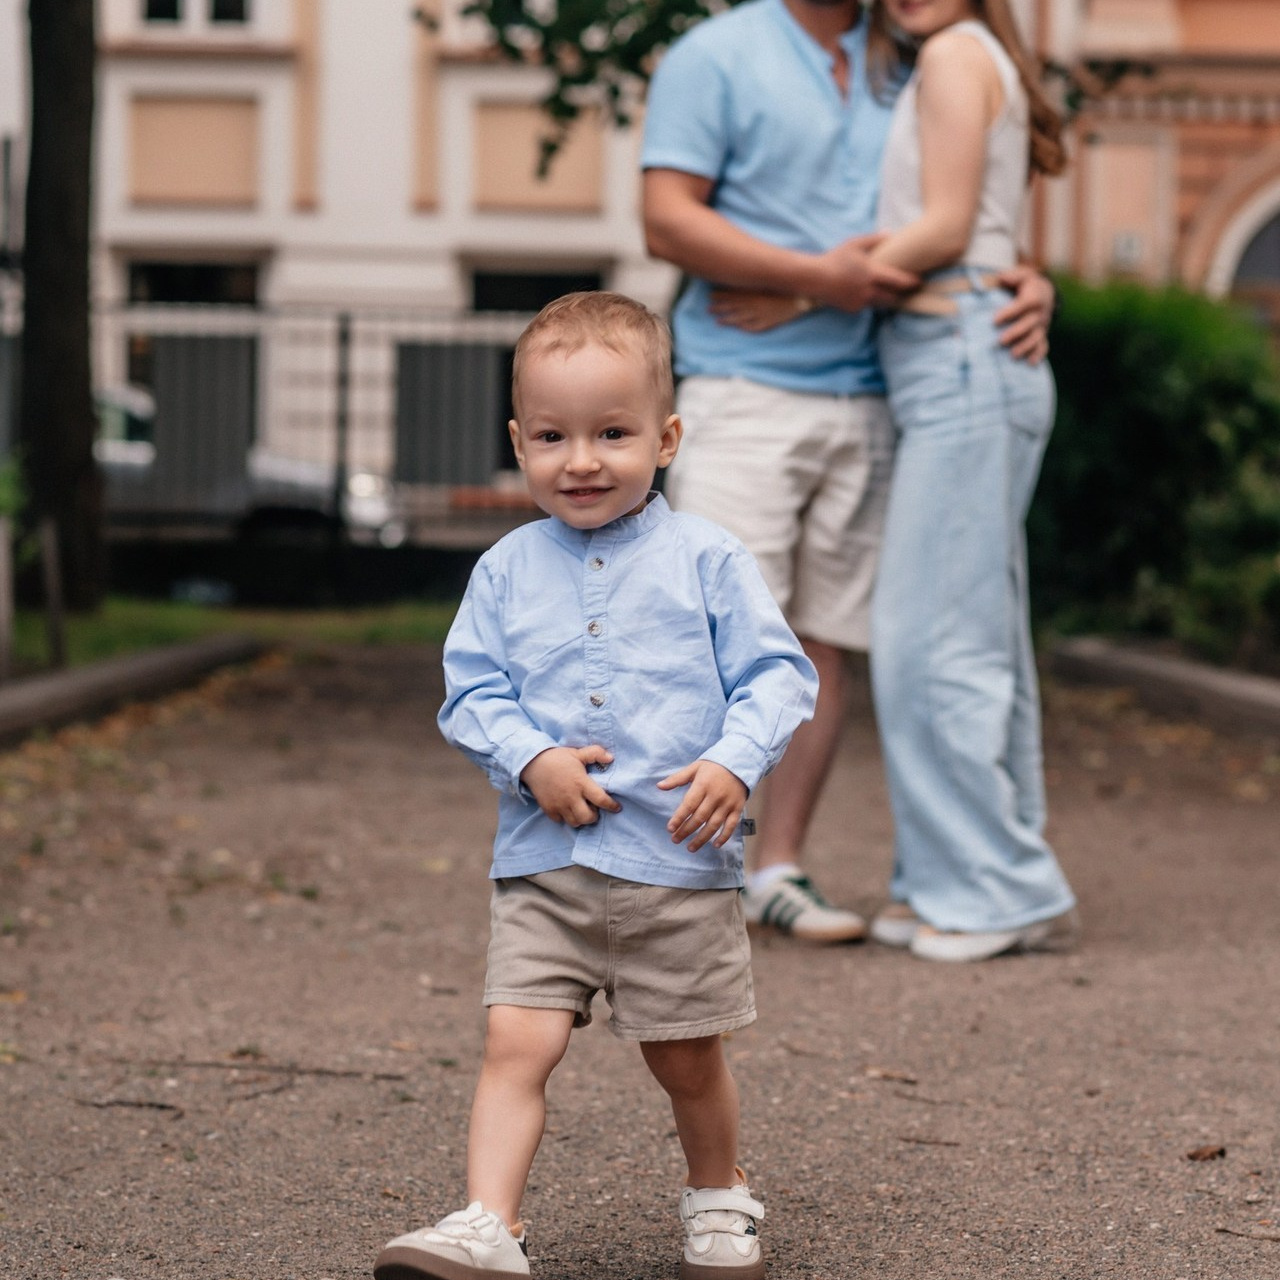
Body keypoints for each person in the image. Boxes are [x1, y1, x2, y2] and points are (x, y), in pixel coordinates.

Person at [374, 291, 818, 1280]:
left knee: (685, 1058)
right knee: (513, 1046)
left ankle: (719, 1193)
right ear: (517, 439)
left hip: (674, 864)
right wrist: (529, 756)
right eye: (551, 435)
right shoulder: (501, 569)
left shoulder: (706, 559)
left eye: (611, 432)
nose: (580, 459)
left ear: (664, 436)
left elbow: (778, 676)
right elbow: (472, 688)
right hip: (545, 867)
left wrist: (731, 761)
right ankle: (489, 1220)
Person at [641, 0, 1056, 945]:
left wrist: (1031, 278)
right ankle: (671, 871)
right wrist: (812, 278)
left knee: (825, 642)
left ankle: (776, 867)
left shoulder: (910, 55)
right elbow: (665, 218)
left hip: (878, 392)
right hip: (746, 390)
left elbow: (955, 208)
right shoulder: (718, 53)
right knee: (704, 640)